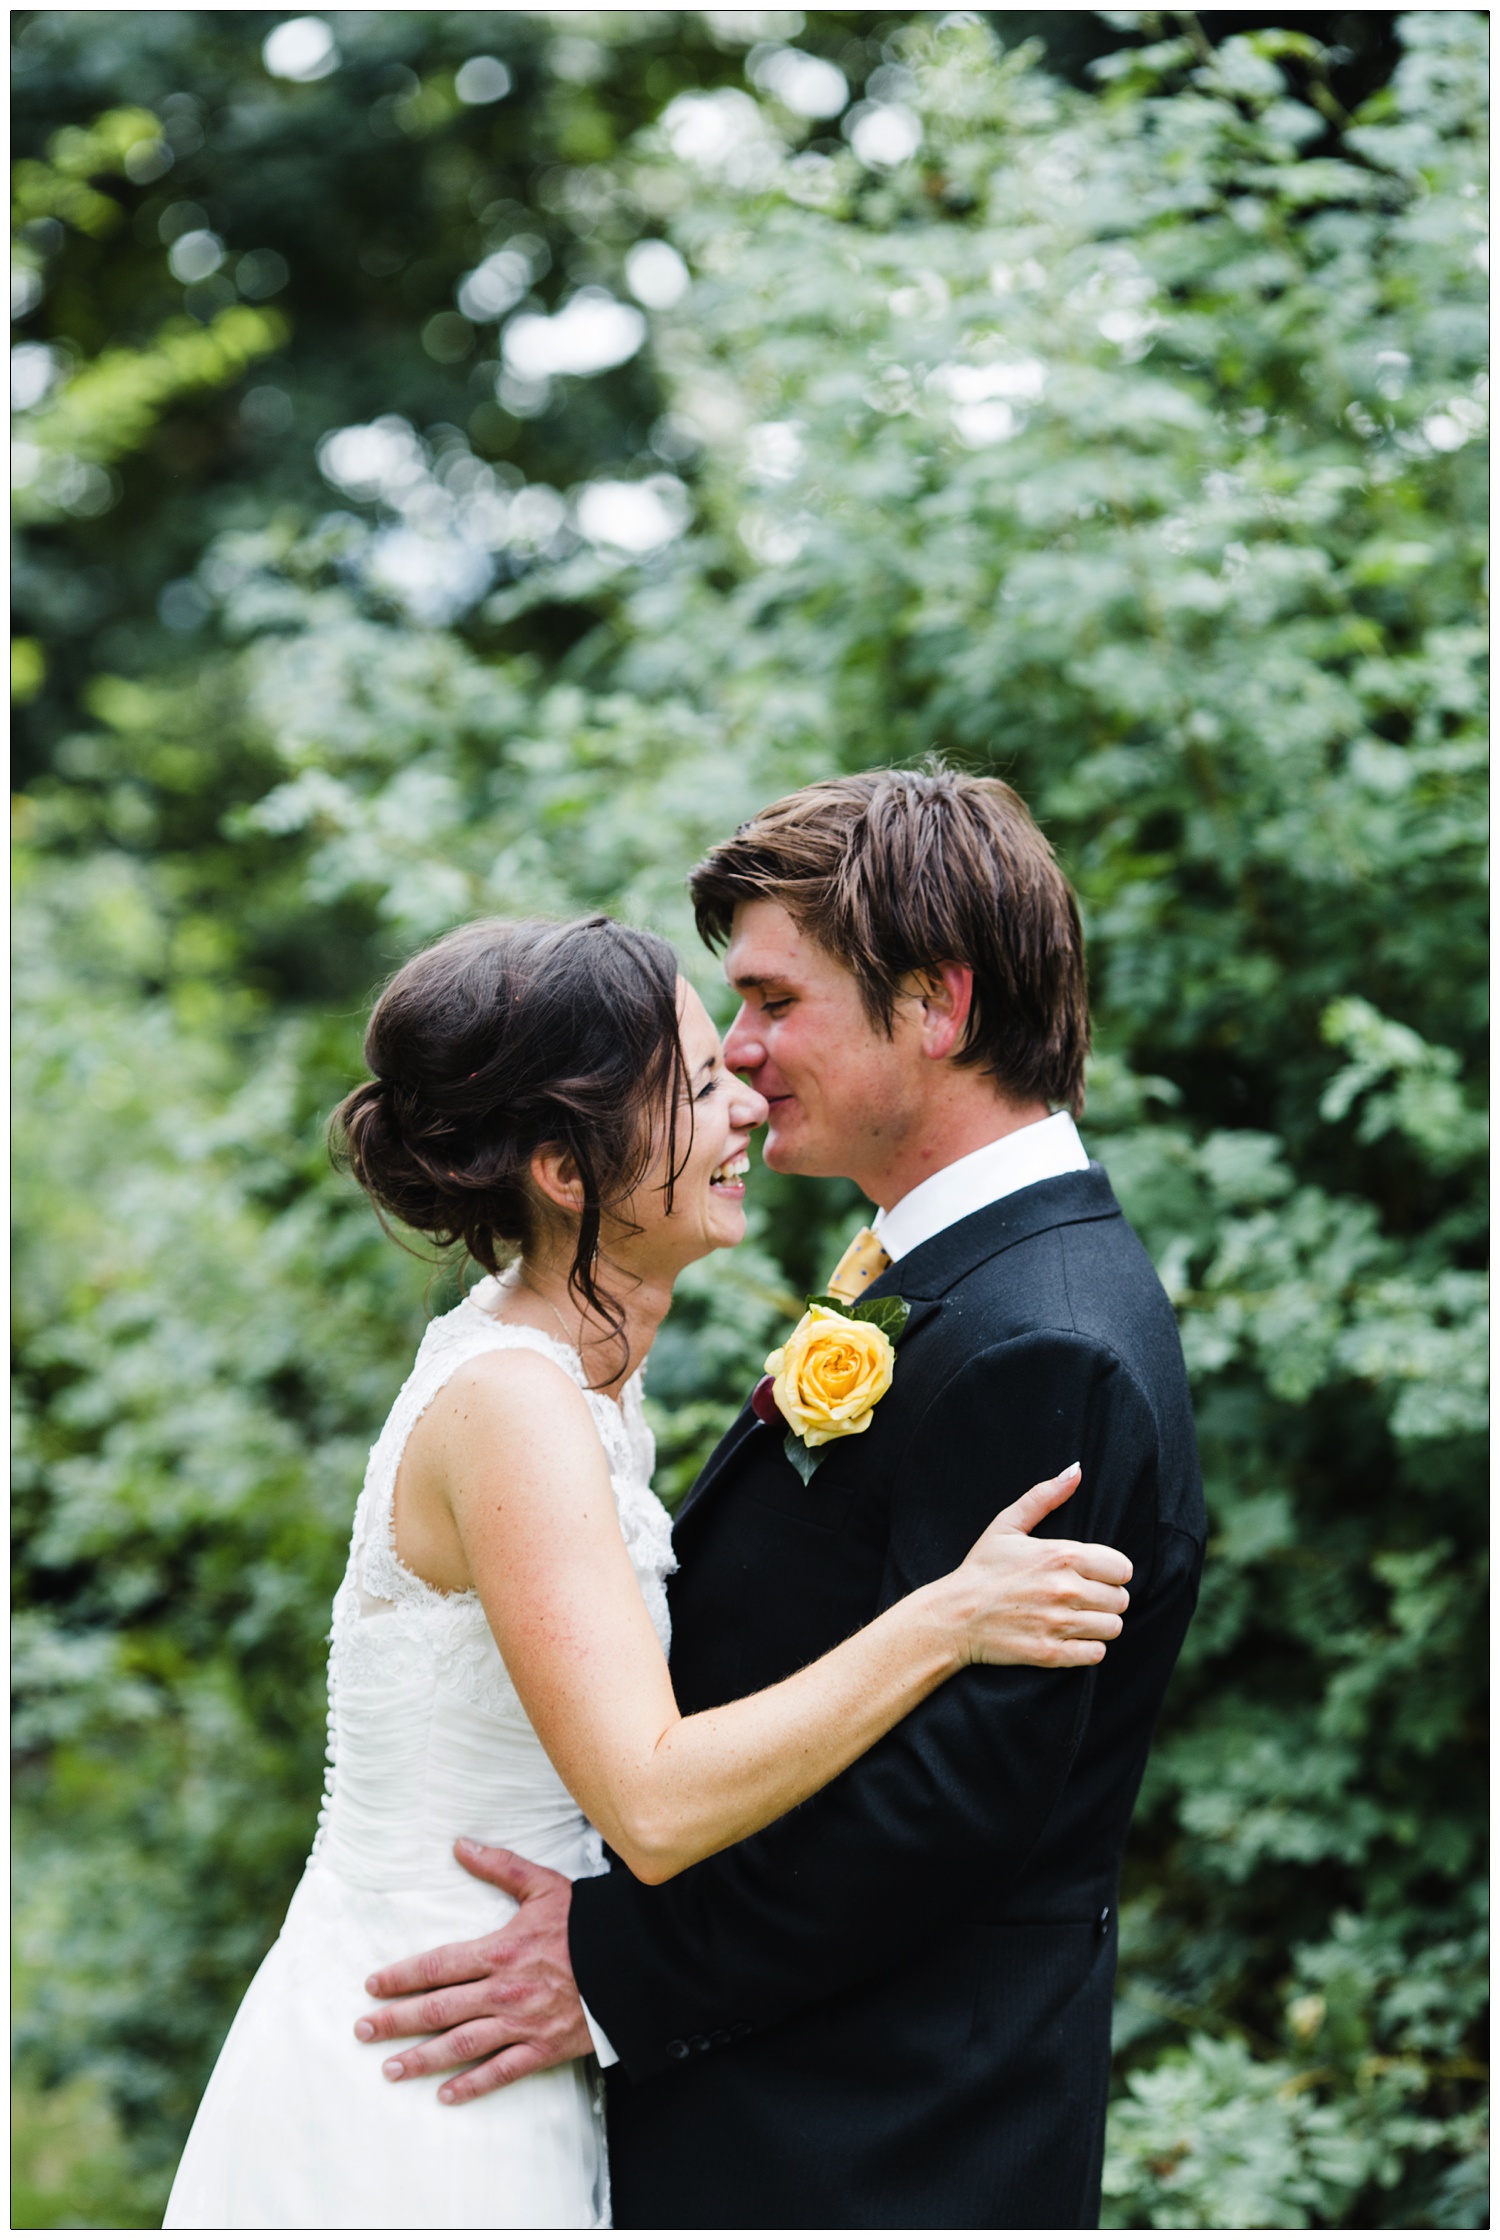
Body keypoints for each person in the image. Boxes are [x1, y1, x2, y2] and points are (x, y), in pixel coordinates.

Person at [163, 909, 1134, 2230]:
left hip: (510, 2013)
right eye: (693, 1087)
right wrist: (949, 1622)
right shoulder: (516, 1404)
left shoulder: (586, 1390)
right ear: (567, 1169)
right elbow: (656, 1801)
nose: (743, 1109)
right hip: (435, 2044)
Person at [355, 767, 1207, 2230]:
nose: (741, 1056)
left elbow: (941, 1814)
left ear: (938, 1005)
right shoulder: (947, 1277)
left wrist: (613, 1971)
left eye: (771, 1002)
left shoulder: (1040, 1337)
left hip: (873, 2145)